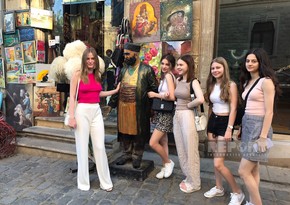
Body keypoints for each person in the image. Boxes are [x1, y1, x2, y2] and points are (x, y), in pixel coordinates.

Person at [67, 47, 120, 192]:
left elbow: (98, 93)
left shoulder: (98, 75)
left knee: (99, 146)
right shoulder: (77, 75)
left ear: (96, 61)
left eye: (93, 58)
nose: (90, 61)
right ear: (84, 60)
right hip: (81, 111)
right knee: (82, 147)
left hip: (96, 110)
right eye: (88, 59)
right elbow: (72, 97)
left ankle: (105, 181)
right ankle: (83, 182)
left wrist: (114, 91)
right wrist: (71, 116)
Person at [237, 48, 280, 205]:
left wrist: (263, 137)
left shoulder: (266, 81)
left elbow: (269, 112)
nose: (250, 63)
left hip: (259, 127)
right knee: (254, 169)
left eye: (254, 61)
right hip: (248, 124)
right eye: (248, 60)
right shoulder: (248, 81)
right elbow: (247, 107)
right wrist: (242, 127)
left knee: (243, 171)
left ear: (261, 62)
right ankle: (252, 201)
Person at [108, 42, 158, 169]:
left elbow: (154, 89)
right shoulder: (124, 69)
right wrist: (111, 104)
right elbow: (117, 88)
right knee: (125, 132)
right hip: (123, 106)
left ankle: (137, 155)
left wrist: (152, 109)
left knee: (138, 132)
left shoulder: (146, 70)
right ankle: (126, 153)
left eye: (127, 54)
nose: (125, 57)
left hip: (139, 108)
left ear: (135, 54)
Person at [204, 57, 245, 204]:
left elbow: (233, 108)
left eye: (218, 68)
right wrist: (208, 124)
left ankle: (237, 192)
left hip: (224, 124)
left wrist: (229, 129)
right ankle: (219, 187)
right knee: (215, 158)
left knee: (218, 163)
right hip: (213, 122)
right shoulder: (211, 84)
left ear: (224, 68)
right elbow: (210, 105)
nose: (215, 70)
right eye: (213, 68)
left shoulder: (231, 85)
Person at [173, 54, 204, 193]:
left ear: (188, 66)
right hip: (177, 115)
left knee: (191, 149)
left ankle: (195, 183)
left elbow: (201, 99)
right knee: (181, 148)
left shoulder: (194, 81)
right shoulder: (179, 80)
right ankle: (189, 177)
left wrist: (189, 105)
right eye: (177, 64)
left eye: (181, 65)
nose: (178, 67)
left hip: (187, 116)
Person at [147, 54, 176, 179]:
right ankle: (164, 166)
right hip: (161, 112)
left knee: (153, 142)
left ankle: (169, 162)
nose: (164, 66)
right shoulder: (165, 77)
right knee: (163, 141)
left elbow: (172, 97)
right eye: (162, 63)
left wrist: (155, 94)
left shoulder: (169, 76)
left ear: (171, 66)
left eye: (167, 64)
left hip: (166, 114)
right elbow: (167, 94)